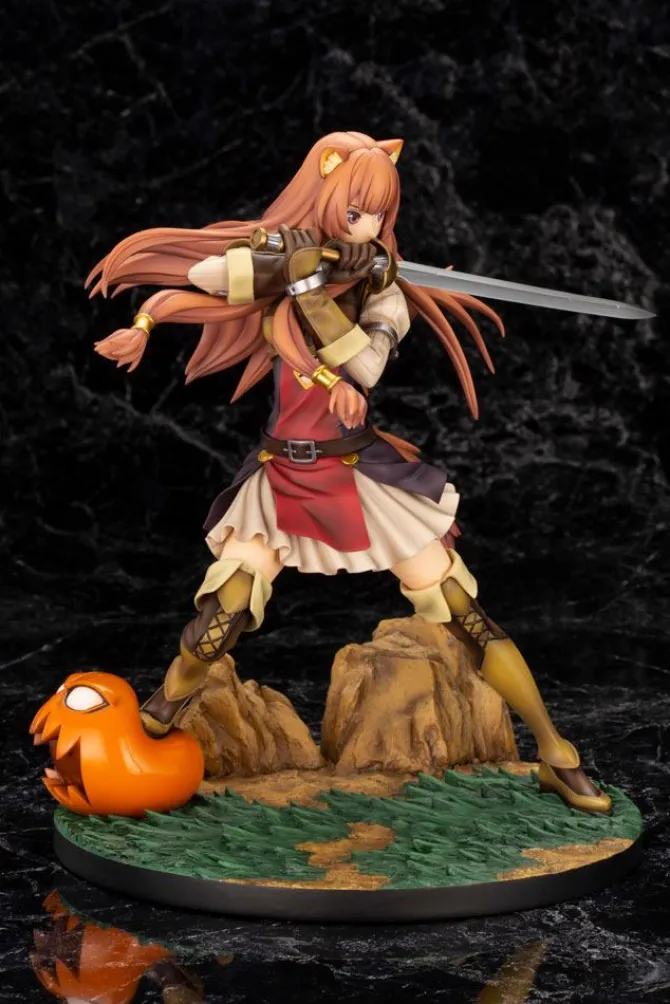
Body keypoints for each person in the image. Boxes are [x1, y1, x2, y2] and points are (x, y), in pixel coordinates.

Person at [87, 131, 611, 814]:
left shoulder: (380, 290)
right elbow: (204, 281)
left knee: (464, 613)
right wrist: (154, 319)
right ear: (324, 194)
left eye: (376, 215)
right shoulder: (289, 261)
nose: (362, 226)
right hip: (280, 478)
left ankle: (555, 753)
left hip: (358, 475)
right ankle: (154, 724)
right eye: (353, 210)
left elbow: (364, 365)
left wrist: (313, 290)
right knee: (220, 618)